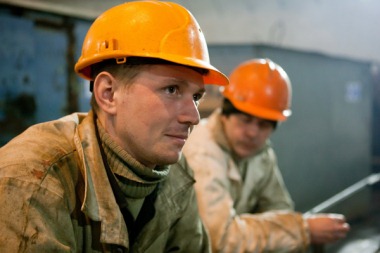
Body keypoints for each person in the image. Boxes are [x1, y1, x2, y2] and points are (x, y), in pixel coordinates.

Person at [0, 1, 229, 252]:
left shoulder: (174, 173)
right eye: (172, 90)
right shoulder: (32, 180)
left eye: (196, 97)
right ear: (108, 94)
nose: (193, 117)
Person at [183, 58, 350, 252]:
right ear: (225, 114)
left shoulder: (260, 153)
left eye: (263, 125)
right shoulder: (202, 152)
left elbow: (279, 207)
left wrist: (296, 232)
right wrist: (302, 229)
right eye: (245, 120)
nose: (253, 133)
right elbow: (221, 238)